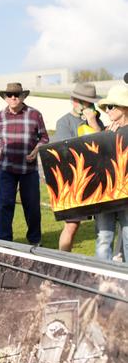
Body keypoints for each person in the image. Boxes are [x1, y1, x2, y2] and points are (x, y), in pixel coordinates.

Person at [0, 82, 49, 246]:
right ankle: (5, 243)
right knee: (5, 205)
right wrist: (2, 148)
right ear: (5, 97)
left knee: (32, 207)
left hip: (29, 168)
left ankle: (34, 241)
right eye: (9, 95)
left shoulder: (34, 114)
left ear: (23, 96)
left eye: (17, 94)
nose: (13, 98)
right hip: (5, 168)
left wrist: (37, 149)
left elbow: (44, 137)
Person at [54, 83, 104, 252]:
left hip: (97, 180)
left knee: (104, 227)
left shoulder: (97, 121)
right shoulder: (64, 122)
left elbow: (104, 145)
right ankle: (62, 261)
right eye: (85, 102)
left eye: (91, 103)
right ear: (74, 101)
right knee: (72, 225)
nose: (89, 106)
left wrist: (93, 123)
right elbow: (65, 152)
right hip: (75, 182)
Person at [94, 84, 128, 262]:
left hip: (126, 196)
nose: (106, 111)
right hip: (105, 195)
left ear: (124, 108)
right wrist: (105, 138)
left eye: (110, 106)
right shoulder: (107, 132)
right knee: (103, 238)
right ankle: (101, 281)